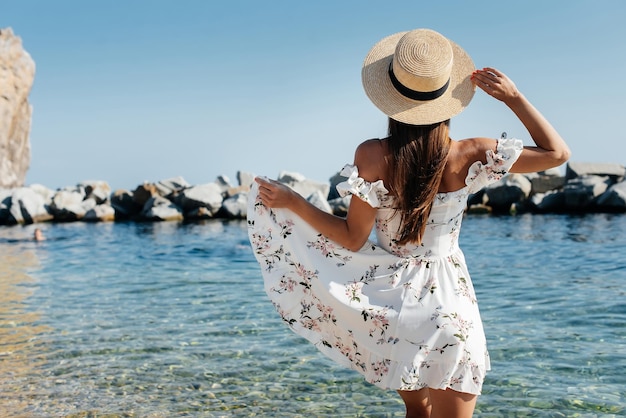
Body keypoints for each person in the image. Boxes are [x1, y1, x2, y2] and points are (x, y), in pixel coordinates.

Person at [247, 28, 570, 418]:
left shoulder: (371, 156)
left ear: (390, 98)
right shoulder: (472, 154)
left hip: (396, 308)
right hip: (451, 307)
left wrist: (294, 202)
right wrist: (514, 98)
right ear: (447, 96)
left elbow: (351, 239)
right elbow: (557, 153)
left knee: (418, 414)